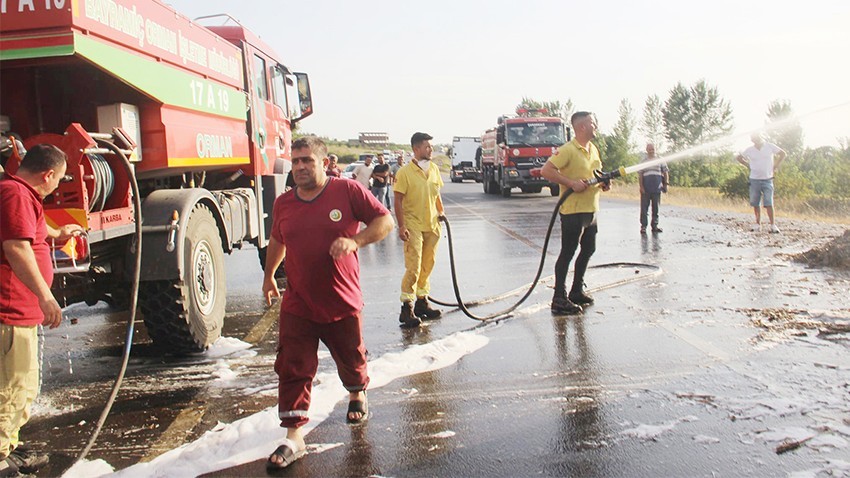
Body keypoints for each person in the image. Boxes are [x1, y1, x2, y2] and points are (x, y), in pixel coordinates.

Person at [261, 136, 393, 470]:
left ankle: (356, 393)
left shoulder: (346, 191)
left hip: (341, 300)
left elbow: (384, 221)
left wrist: (355, 241)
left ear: (324, 162)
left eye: (307, 160)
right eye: (295, 161)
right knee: (292, 365)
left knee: (351, 357)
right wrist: (269, 276)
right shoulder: (284, 203)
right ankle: (293, 437)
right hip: (298, 303)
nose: (300, 167)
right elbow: (278, 239)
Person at [1, 144, 83, 477]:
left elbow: (30, 230)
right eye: (59, 179)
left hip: (19, 311)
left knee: (23, 386)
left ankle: (8, 448)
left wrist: (57, 232)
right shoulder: (15, 194)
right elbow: (17, 247)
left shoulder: (19, 194)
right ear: (47, 175)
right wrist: (45, 296)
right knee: (10, 387)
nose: (57, 186)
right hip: (10, 309)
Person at [540, 112, 610, 315]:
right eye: (592, 123)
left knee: (588, 250)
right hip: (573, 211)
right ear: (581, 127)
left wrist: (604, 183)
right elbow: (546, 170)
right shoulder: (568, 150)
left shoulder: (593, 149)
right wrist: (571, 183)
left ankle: (576, 290)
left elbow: (596, 174)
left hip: (591, 209)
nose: (595, 125)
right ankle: (559, 298)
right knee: (568, 252)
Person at [393, 132, 445, 328]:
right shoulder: (404, 173)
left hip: (431, 224)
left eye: (431, 146)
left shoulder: (433, 169)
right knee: (413, 266)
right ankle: (407, 307)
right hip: (412, 224)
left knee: (427, 264)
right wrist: (401, 225)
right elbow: (397, 200)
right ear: (416, 149)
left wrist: (441, 211)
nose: (430, 150)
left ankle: (422, 302)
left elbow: (436, 193)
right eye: (427, 147)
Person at [736, 132, 786, 233]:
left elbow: (783, 153)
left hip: (768, 178)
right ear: (752, 140)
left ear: (761, 137)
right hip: (754, 179)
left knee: (769, 202)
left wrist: (776, 165)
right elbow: (739, 157)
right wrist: (747, 165)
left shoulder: (769, 146)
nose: (756, 140)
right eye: (754, 139)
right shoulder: (750, 150)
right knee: (756, 203)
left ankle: (773, 225)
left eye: (758, 138)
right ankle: (758, 224)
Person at [638, 143, 669, 234]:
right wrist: (641, 187)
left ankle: (655, 226)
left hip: (657, 188)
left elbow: (666, 172)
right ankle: (643, 226)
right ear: (646, 150)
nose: (651, 151)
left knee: (656, 209)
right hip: (646, 189)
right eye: (650, 149)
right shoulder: (643, 161)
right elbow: (640, 175)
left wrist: (666, 184)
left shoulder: (660, 160)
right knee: (644, 209)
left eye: (653, 149)